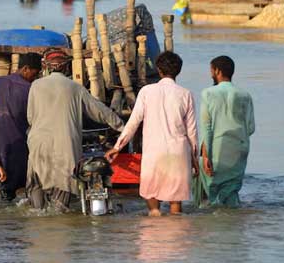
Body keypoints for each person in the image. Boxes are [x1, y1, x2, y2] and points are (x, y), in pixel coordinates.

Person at [26, 49, 124, 212]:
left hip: (39, 143)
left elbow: (30, 117)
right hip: (65, 144)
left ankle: (37, 214)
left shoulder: (35, 86)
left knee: (36, 183)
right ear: (66, 68)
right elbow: (100, 111)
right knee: (62, 187)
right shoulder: (75, 87)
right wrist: (122, 126)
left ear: (47, 67)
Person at [105, 52, 198, 216]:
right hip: (178, 151)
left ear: (158, 70)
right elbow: (192, 132)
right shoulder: (186, 94)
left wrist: (117, 147)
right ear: (179, 71)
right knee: (175, 203)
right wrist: (195, 159)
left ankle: (154, 225)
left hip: (154, 152)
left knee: (152, 199)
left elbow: (133, 122)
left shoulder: (147, 91)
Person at [193, 56, 255, 208]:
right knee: (231, 191)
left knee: (211, 192)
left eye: (211, 71)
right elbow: (251, 128)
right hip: (240, 148)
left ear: (217, 71)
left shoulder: (208, 93)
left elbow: (207, 127)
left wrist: (206, 155)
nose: (211, 74)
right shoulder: (245, 95)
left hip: (218, 147)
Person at [0, 53, 43, 201]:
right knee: (26, 183)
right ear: (26, 69)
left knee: (4, 184)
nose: (36, 76)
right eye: (35, 73)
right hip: (20, 141)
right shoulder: (30, 89)